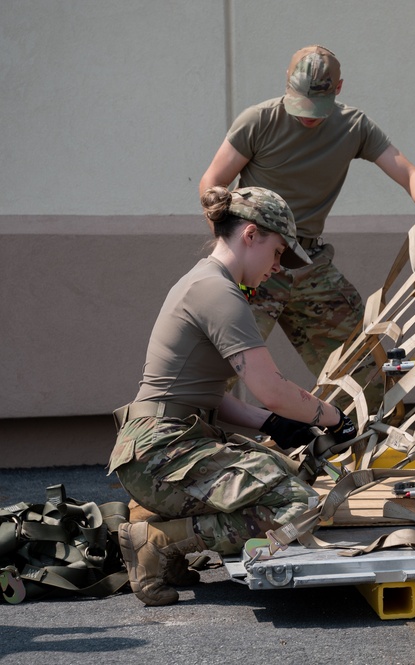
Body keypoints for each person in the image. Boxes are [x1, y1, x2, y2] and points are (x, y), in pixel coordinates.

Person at [108, 186, 358, 607]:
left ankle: (163, 531)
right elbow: (272, 390)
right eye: (278, 252)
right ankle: (157, 539)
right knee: (298, 505)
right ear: (250, 235)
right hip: (162, 455)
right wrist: (334, 417)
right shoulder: (217, 292)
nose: (277, 267)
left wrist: (271, 423)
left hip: (162, 447)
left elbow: (205, 396)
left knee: (286, 479)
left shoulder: (206, 283)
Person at [199, 45, 415, 406]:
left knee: (363, 367)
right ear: (287, 84)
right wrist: (234, 264)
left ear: (338, 89)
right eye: (301, 104)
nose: (308, 116)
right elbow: (212, 185)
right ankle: (181, 447)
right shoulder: (258, 121)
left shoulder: (353, 126)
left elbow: (406, 171)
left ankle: (369, 448)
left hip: (309, 264)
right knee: (214, 369)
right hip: (254, 260)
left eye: (317, 107)